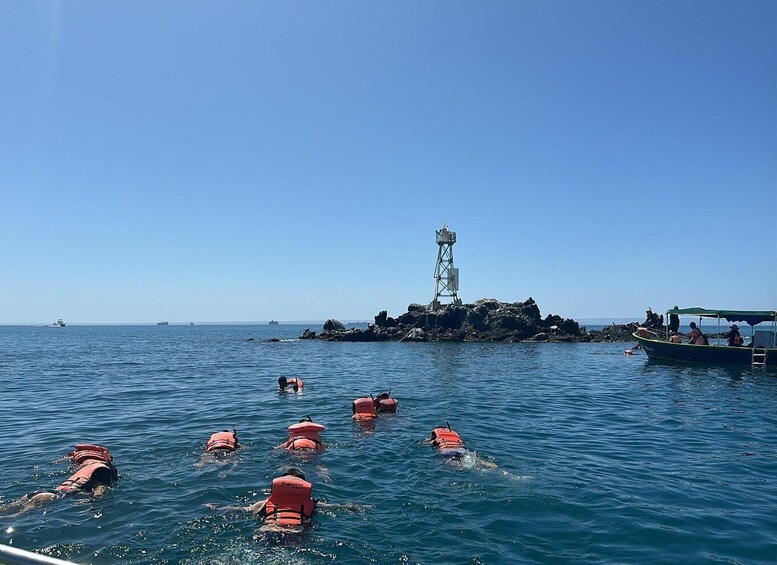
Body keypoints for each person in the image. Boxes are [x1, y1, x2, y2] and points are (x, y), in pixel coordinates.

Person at [0, 444, 118, 517]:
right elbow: (99, 492)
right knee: (14, 518)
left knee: (7, 509)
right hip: (53, 497)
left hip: (46, 492)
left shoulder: (86, 468)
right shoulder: (103, 470)